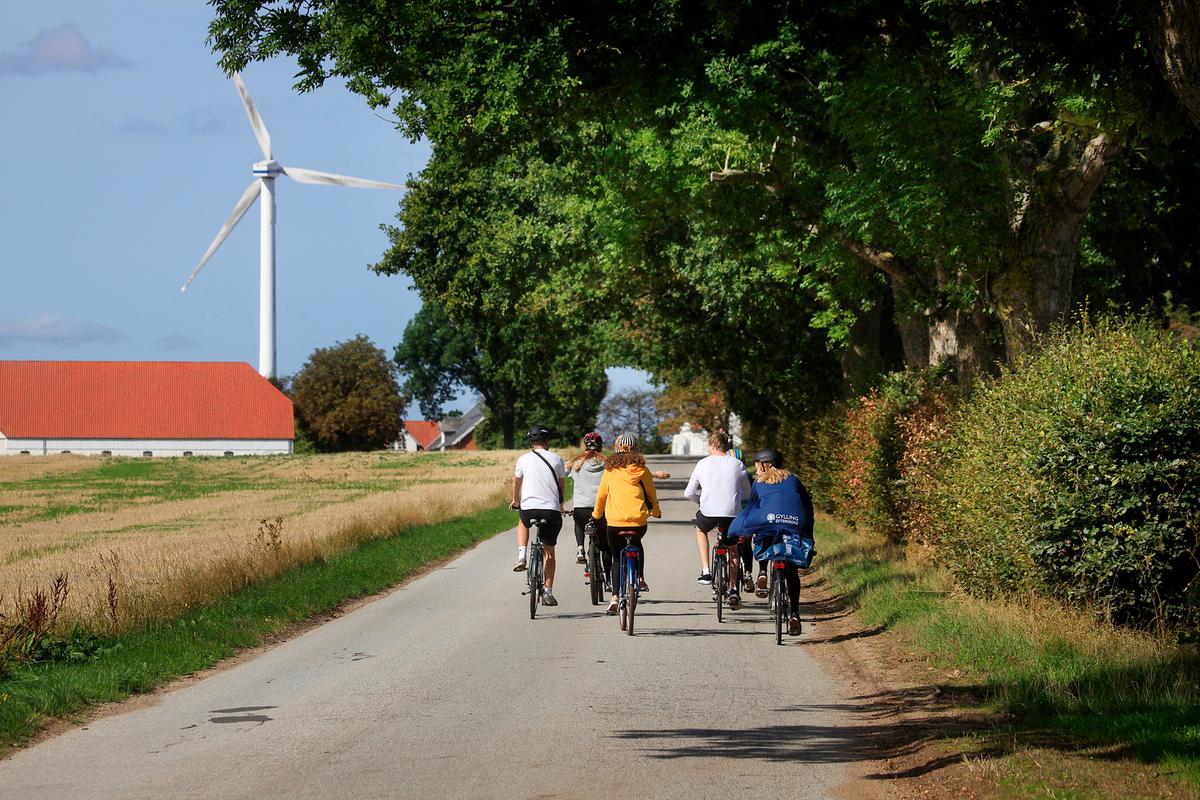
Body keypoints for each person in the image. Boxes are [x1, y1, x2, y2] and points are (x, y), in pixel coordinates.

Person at [728, 447, 815, 636]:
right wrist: (808, 535)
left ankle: (762, 570)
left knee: (762, 536)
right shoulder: (794, 480)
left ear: (764, 465)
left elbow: (750, 511)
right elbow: (807, 507)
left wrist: (733, 533)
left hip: (770, 527)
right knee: (792, 572)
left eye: (757, 464)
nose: (756, 468)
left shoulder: (759, 484)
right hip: (794, 527)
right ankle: (795, 614)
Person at [592, 433, 661, 615]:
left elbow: (601, 496)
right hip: (638, 521)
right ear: (636, 450)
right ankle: (639, 577)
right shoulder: (642, 470)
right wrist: (656, 511)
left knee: (616, 558)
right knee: (637, 543)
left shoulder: (610, 470)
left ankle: (614, 598)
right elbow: (651, 494)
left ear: (617, 449)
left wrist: (597, 514)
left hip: (614, 522)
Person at [683, 431, 752, 604]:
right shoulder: (737, 464)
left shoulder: (702, 463)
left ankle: (706, 570)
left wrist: (701, 501)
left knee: (700, 529)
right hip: (731, 514)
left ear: (713, 445)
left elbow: (688, 493)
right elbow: (747, 492)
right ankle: (734, 588)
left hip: (708, 513)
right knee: (733, 548)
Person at [511, 426, 567, 606]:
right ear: (547, 442)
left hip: (529, 509)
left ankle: (522, 556)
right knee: (549, 552)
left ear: (531, 443)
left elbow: (516, 483)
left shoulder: (522, 459)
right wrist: (560, 506)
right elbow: (561, 487)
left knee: (522, 521)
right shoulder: (557, 459)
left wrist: (515, 501)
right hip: (550, 511)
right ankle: (548, 591)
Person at [566, 432, 608, 581]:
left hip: (581, 509)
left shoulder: (576, 463)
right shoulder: (608, 464)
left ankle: (580, 549)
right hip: (601, 510)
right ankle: (609, 581)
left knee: (578, 522)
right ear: (601, 445)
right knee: (605, 545)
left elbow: (561, 473)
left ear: (585, 445)